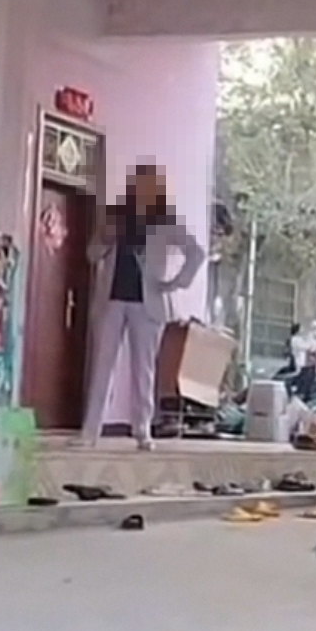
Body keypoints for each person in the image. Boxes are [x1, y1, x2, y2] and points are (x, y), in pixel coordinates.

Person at [81, 163, 205, 451]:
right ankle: (90, 430)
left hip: (148, 303)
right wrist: (104, 238)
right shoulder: (117, 217)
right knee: (102, 366)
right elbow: (92, 254)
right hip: (113, 300)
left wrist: (175, 282)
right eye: (136, 183)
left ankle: (142, 429)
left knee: (143, 369)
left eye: (146, 184)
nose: (140, 189)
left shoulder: (166, 221)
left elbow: (196, 253)